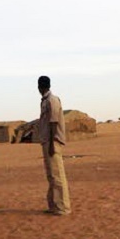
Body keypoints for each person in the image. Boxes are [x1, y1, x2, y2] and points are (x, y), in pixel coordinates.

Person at [38, 76, 71, 215]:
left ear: (40, 87)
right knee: (51, 175)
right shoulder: (45, 101)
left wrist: (52, 143)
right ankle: (54, 205)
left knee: (57, 175)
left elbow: (53, 122)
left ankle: (63, 207)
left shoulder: (52, 100)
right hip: (47, 140)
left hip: (53, 141)